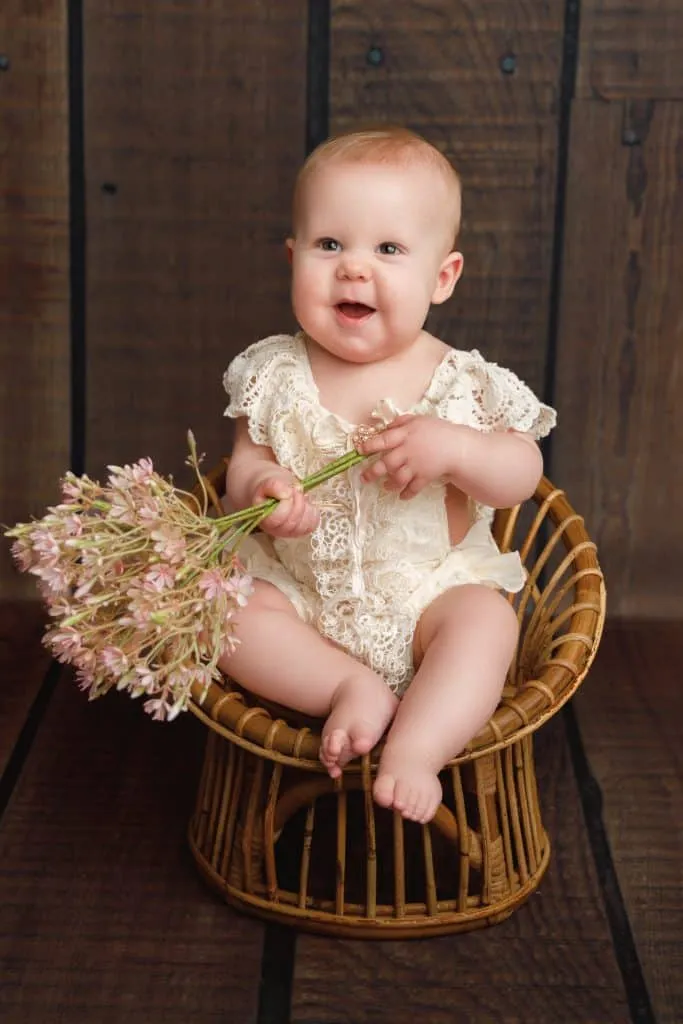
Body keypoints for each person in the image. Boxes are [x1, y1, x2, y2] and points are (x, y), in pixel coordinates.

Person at [220, 127, 556, 824]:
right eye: (329, 244)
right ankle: (347, 687)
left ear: (442, 278)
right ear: (293, 257)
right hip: (302, 595)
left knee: (487, 621)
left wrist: (457, 450)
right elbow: (245, 463)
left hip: (427, 602)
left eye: (389, 250)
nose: (353, 269)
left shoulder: (460, 382)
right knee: (222, 611)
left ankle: (416, 748)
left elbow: (522, 473)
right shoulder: (274, 371)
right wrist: (261, 491)